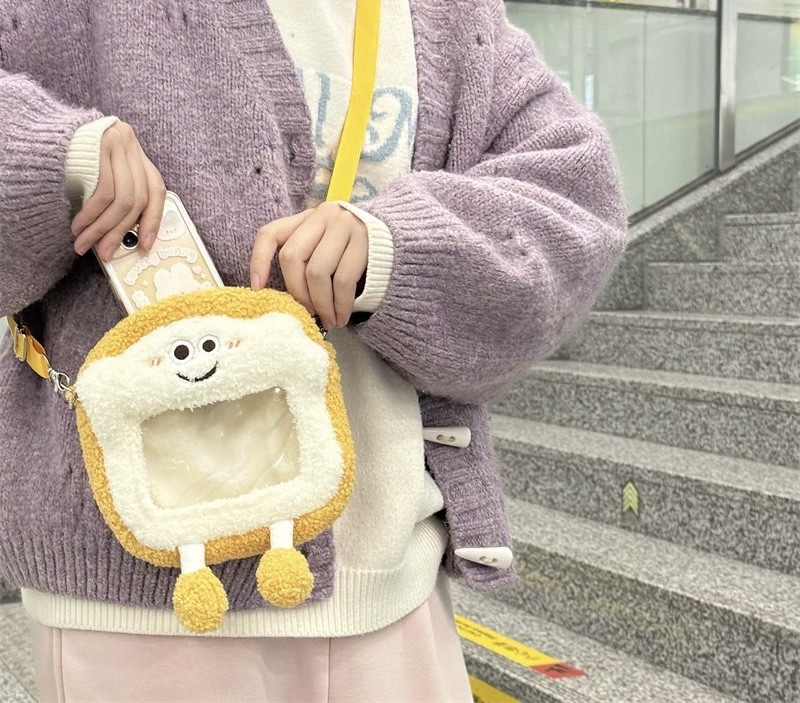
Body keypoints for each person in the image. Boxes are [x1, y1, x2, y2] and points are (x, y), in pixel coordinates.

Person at [0, 0, 627, 700]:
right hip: (141, 598)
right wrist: (48, 158)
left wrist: (396, 252)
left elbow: (578, 201)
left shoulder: (451, 18)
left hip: (394, 584)